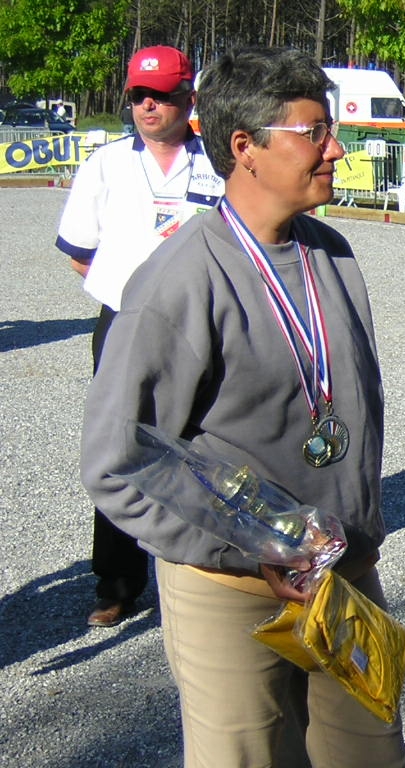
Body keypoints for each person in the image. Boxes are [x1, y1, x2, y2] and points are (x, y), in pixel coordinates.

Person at [79, 46, 405, 768]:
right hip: (231, 594)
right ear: (244, 148)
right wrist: (242, 548)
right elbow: (114, 461)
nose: (336, 149)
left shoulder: (333, 254)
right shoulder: (178, 281)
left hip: (341, 580)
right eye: (313, 131)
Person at [56, 45, 223, 627]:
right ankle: (118, 580)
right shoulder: (104, 164)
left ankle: (211, 563)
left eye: (163, 95)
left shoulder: (218, 161)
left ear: (189, 99)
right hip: (126, 324)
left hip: (208, 322)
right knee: (122, 443)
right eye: (139, 96)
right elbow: (81, 254)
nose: (150, 106)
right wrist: (135, 297)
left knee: (207, 442)